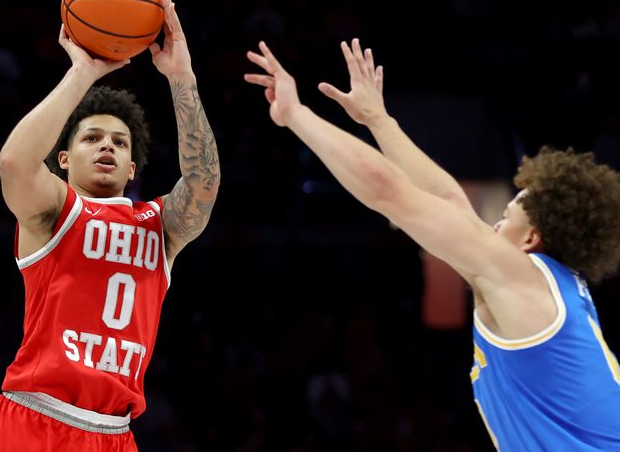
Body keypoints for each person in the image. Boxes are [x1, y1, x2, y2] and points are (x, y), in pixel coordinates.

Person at [244, 38, 620, 450]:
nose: (497, 217)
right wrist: (378, 120)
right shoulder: (550, 285)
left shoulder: (521, 275)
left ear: (532, 238)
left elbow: (391, 193)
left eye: (513, 207)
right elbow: (450, 202)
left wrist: (297, 115)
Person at [0, 0, 220, 451]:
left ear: (132, 169)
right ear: (64, 160)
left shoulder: (159, 225)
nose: (107, 146)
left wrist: (181, 76)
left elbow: (204, 183)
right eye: (92, 137)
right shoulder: (54, 209)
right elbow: (14, 162)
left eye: (120, 142)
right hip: (34, 418)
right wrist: (82, 73)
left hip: (114, 434)